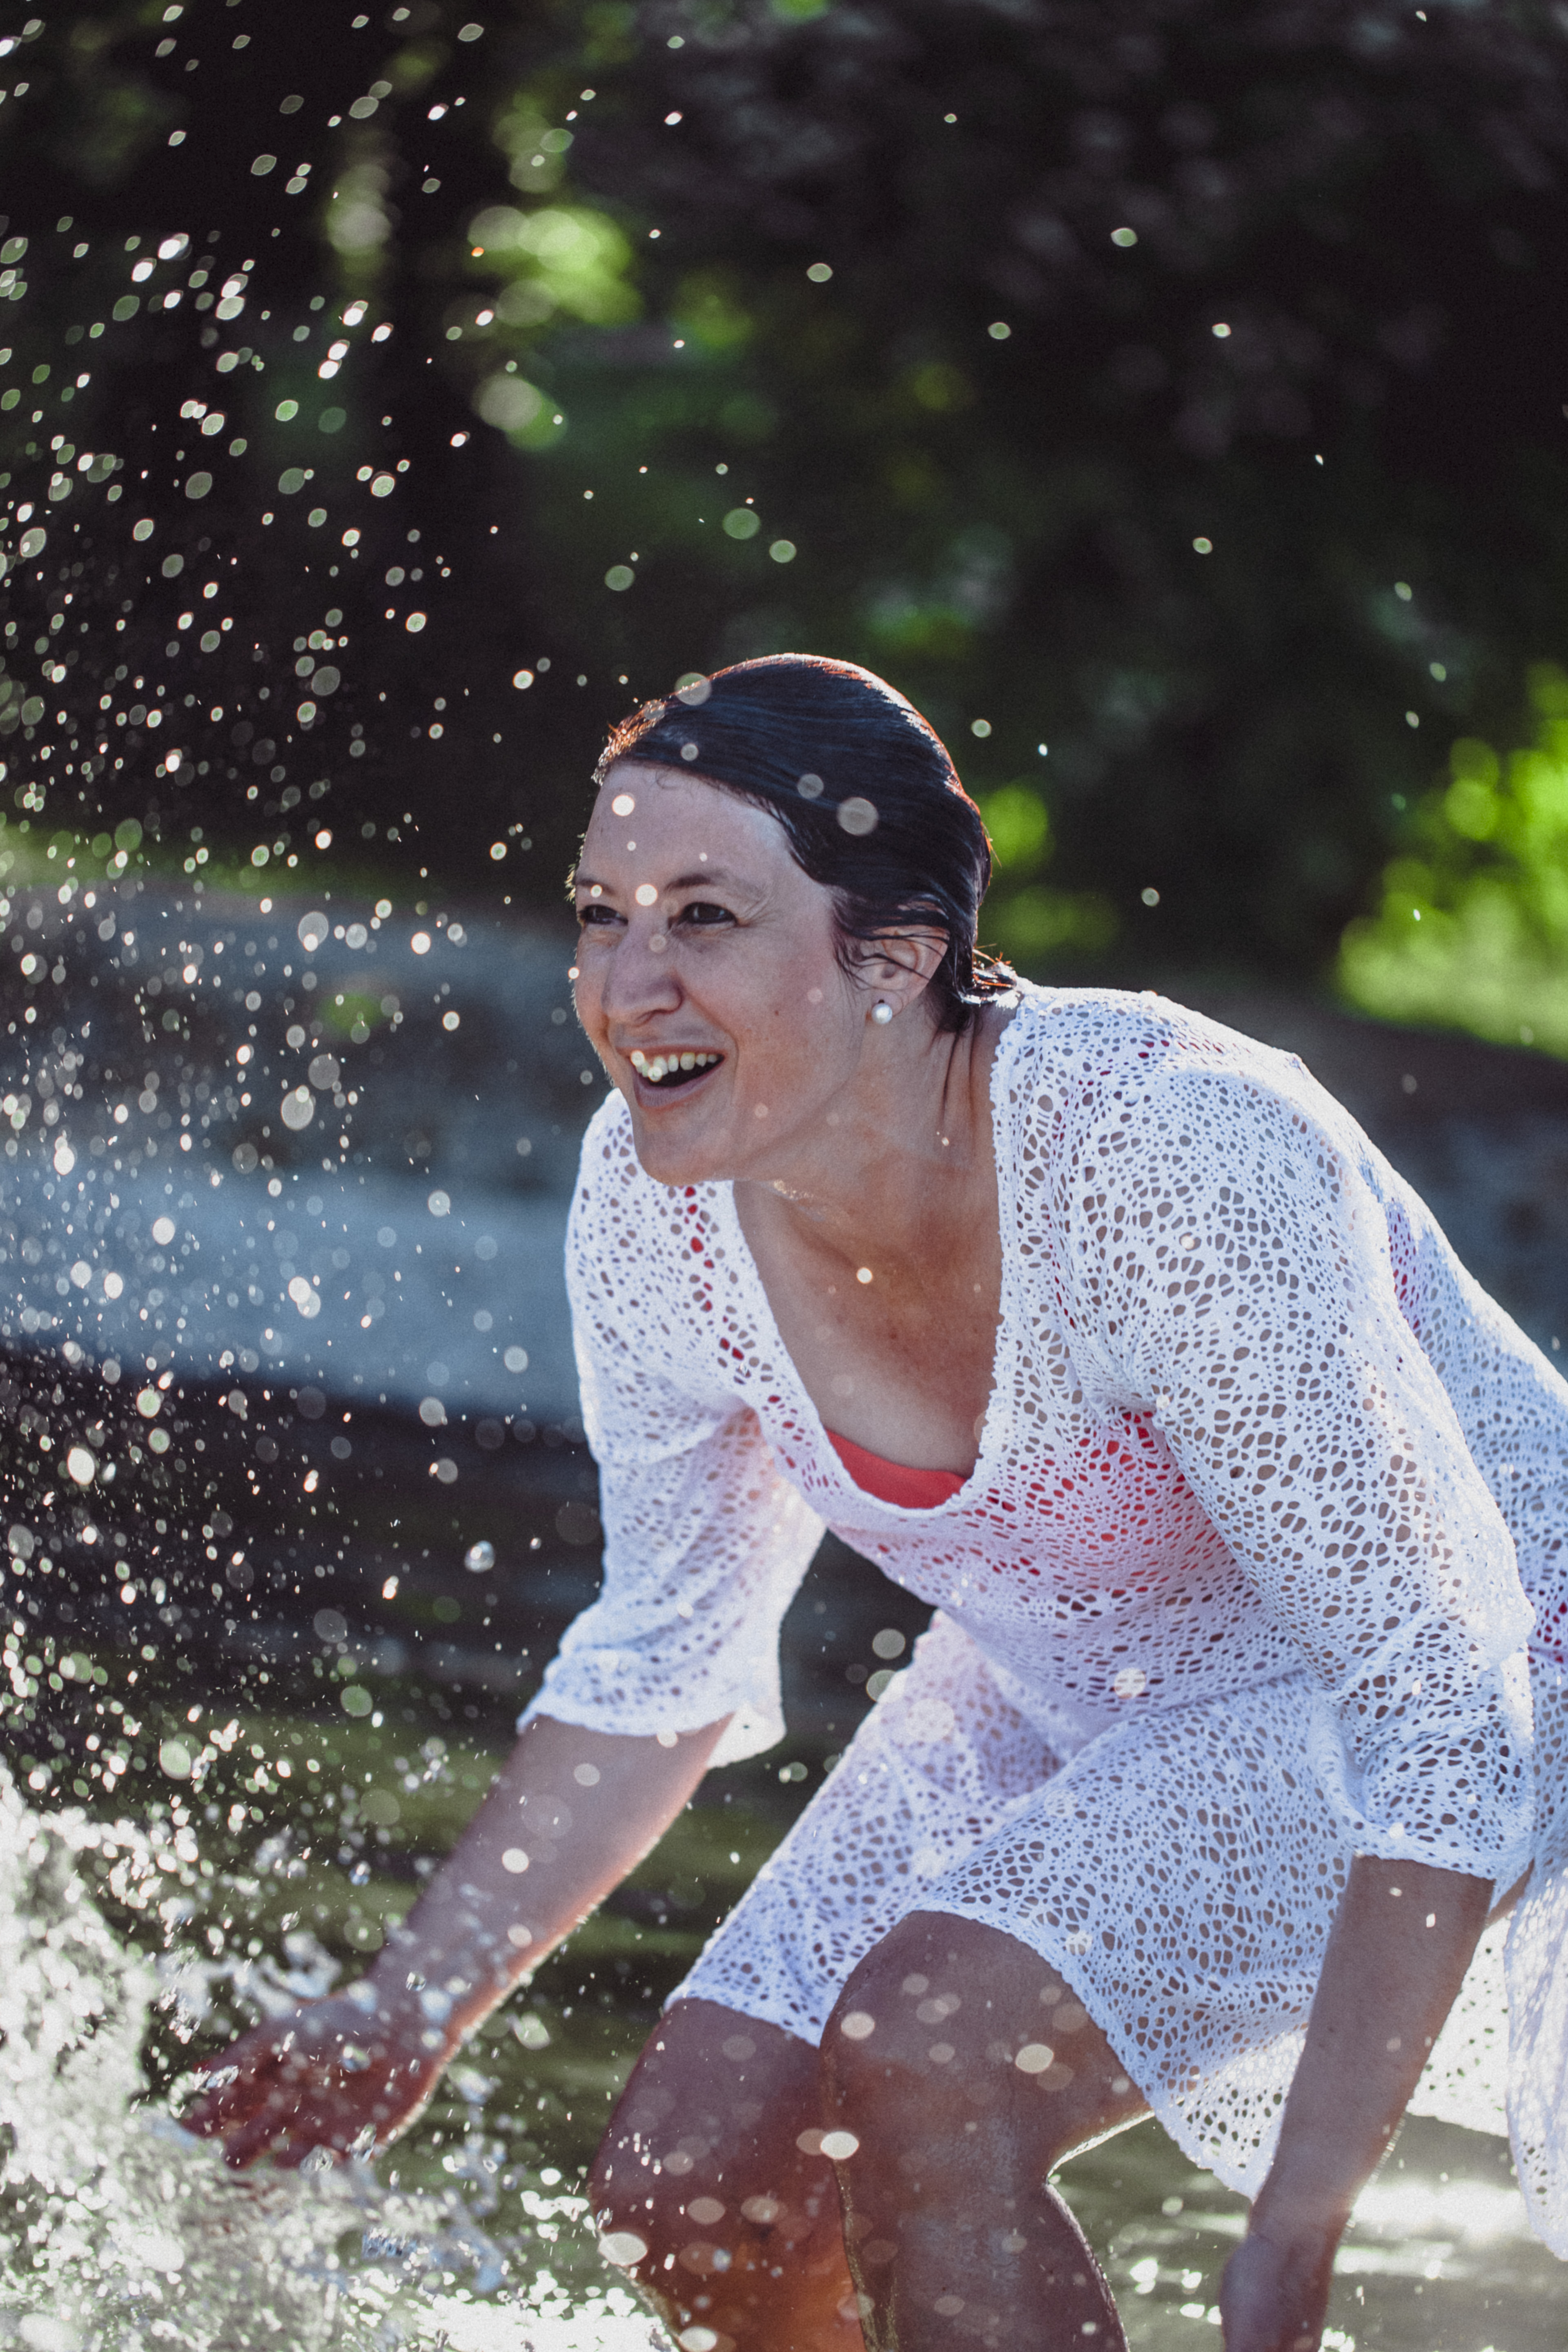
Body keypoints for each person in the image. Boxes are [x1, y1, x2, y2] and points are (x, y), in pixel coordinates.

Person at [189, 655, 1568, 2352]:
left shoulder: (1172, 1159)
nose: (630, 986)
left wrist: (1293, 2227)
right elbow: (665, 1650)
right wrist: (412, 2004)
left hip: (1482, 1680)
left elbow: (1444, 1695)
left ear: (896, 958)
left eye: (704, 917)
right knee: (693, 2179)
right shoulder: (653, 1204)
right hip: (1072, 1673)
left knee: (934, 2054)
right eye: (600, 914)